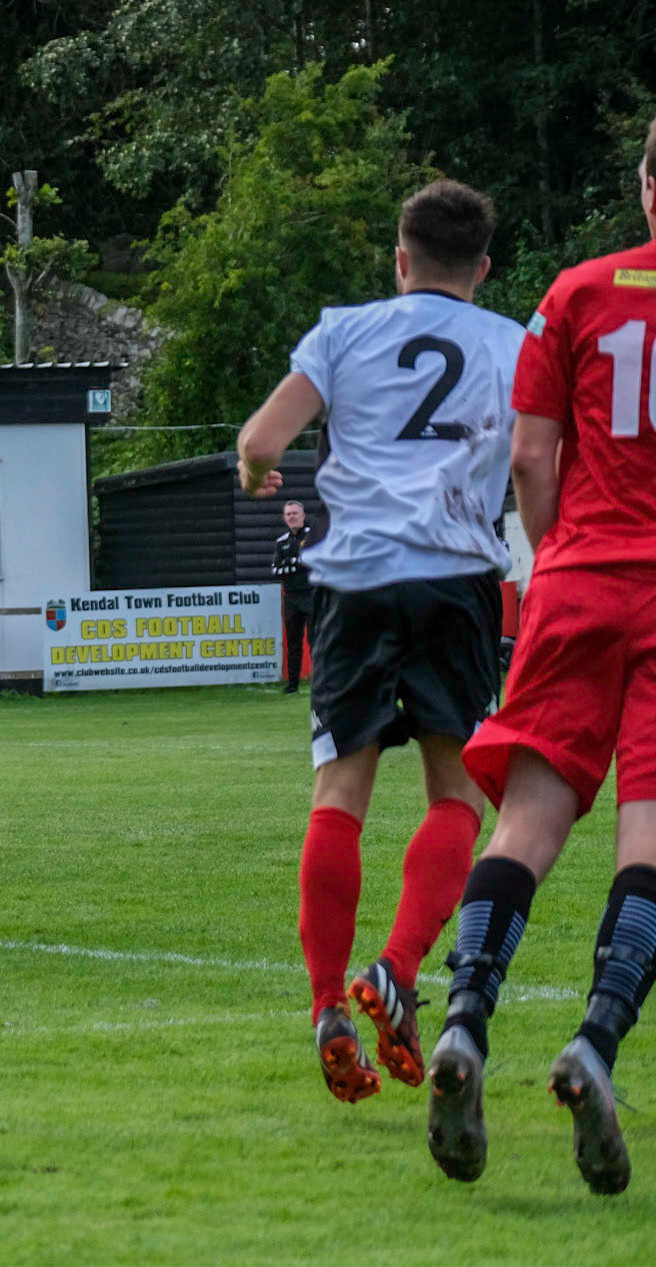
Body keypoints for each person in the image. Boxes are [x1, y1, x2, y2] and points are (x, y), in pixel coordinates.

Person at [235, 179, 522, 1104]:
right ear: (482, 267)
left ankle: (329, 1006)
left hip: (354, 579)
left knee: (341, 791)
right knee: (457, 793)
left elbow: (262, 436)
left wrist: (256, 470)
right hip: (457, 575)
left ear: (399, 259)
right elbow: (533, 455)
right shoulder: (515, 345)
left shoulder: (345, 331)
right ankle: (397, 966)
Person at [424, 124, 656, 1196]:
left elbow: (529, 451)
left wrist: (561, 553)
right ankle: (597, 1044)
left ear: (647, 185)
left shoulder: (575, 291)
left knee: (527, 818)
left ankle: (467, 1019)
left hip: (576, 578)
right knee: (648, 838)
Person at [273, 501, 315, 694]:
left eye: (295, 513)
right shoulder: (281, 542)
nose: (292, 517)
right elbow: (275, 570)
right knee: (293, 641)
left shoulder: (312, 536)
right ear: (284, 518)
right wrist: (294, 564)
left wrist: (291, 564)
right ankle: (292, 684)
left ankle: (321, 682)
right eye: (288, 514)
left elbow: (310, 562)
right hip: (291, 597)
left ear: (303, 515)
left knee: (316, 640)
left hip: (311, 594)